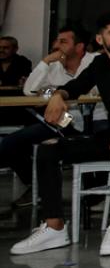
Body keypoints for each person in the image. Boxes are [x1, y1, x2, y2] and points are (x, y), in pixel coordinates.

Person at [9, 13, 110, 257]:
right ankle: (54, 227)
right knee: (48, 148)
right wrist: (58, 95)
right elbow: (75, 86)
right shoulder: (99, 64)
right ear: (100, 39)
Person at [0, 25, 98, 207]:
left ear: (79, 47)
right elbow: (30, 91)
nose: (56, 45)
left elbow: (95, 91)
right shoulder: (53, 66)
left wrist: (55, 92)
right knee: (9, 144)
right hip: (62, 121)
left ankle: (97, 193)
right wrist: (45, 62)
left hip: (96, 119)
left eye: (63, 41)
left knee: (97, 141)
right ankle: (37, 186)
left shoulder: (96, 62)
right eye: (56, 41)